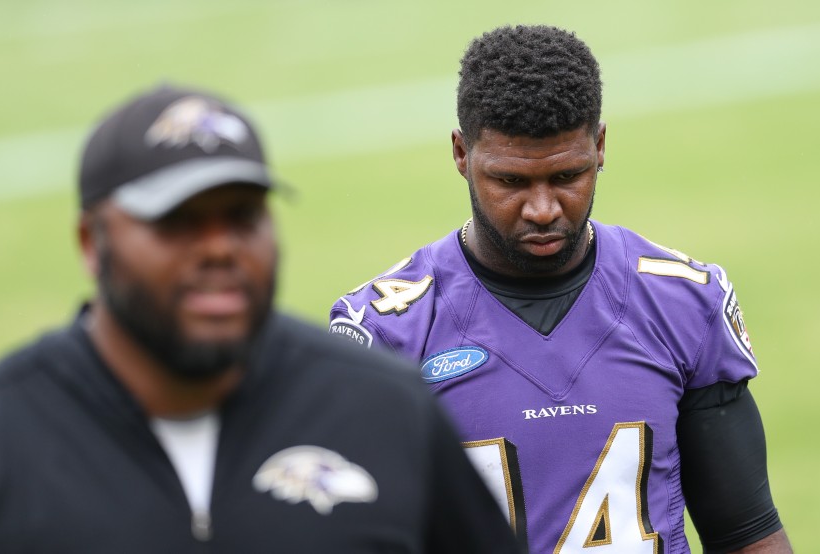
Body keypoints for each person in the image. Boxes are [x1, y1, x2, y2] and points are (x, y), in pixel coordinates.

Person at [0, 84, 521, 554]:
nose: (218, 248)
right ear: (89, 242)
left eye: (242, 217)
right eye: (177, 223)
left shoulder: (384, 412)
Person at [330, 25, 792, 554]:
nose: (543, 209)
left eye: (567, 176)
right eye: (510, 181)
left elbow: (746, 531)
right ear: (461, 154)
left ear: (599, 146)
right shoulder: (388, 331)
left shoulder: (681, 302)